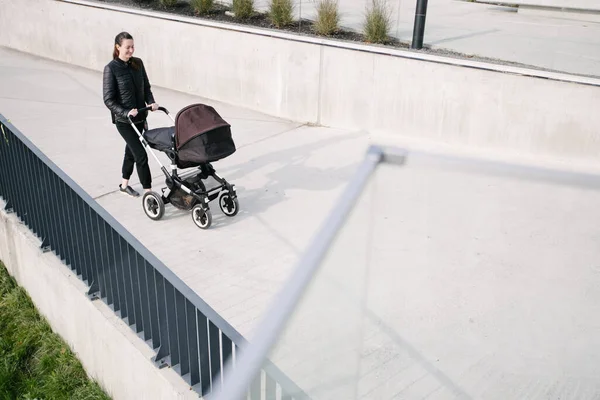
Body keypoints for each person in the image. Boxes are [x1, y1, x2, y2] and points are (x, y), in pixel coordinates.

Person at [102, 31, 158, 197]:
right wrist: (126, 112)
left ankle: (124, 185)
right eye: (127, 47)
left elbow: (146, 87)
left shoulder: (138, 63)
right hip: (125, 122)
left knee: (130, 152)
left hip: (141, 118)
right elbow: (108, 100)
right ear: (118, 47)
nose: (131, 50)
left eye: (133, 46)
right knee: (140, 154)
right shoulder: (111, 69)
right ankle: (149, 193)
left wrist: (151, 102)